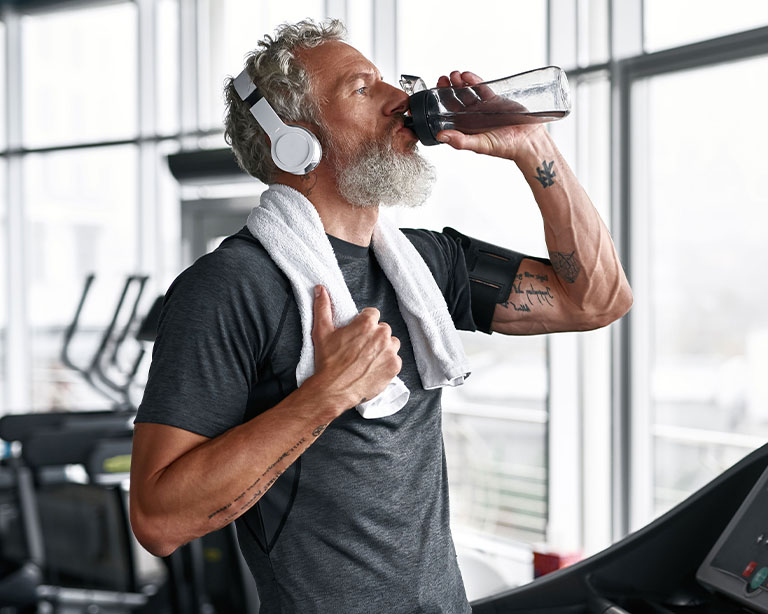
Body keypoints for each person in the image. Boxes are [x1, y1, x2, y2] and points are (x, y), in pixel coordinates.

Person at [127, 18, 632, 614]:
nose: (401, 100)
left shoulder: (425, 265)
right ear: (294, 140)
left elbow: (597, 299)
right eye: (363, 89)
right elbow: (159, 519)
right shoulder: (232, 286)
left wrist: (533, 149)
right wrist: (325, 396)